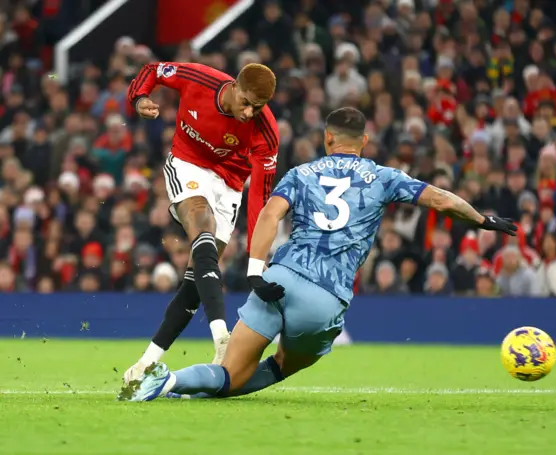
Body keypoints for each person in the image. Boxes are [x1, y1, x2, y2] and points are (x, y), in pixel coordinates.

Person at [118, 108, 516, 402]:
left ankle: (168, 381)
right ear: (364, 142)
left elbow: (270, 216)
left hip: (281, 278)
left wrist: (257, 271)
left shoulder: (301, 173)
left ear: (327, 139)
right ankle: (180, 385)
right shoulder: (383, 176)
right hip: (325, 297)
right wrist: (482, 220)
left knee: (228, 373)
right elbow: (440, 200)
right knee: (283, 365)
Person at [122, 61, 280, 384]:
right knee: (202, 227)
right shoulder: (199, 80)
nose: (250, 113)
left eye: (258, 107)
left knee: (197, 280)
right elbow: (152, 70)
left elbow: (259, 200)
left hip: (231, 187)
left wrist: (255, 262)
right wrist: (139, 97)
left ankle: (145, 364)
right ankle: (222, 336)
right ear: (235, 87)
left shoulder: (266, 132)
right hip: (187, 165)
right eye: (246, 103)